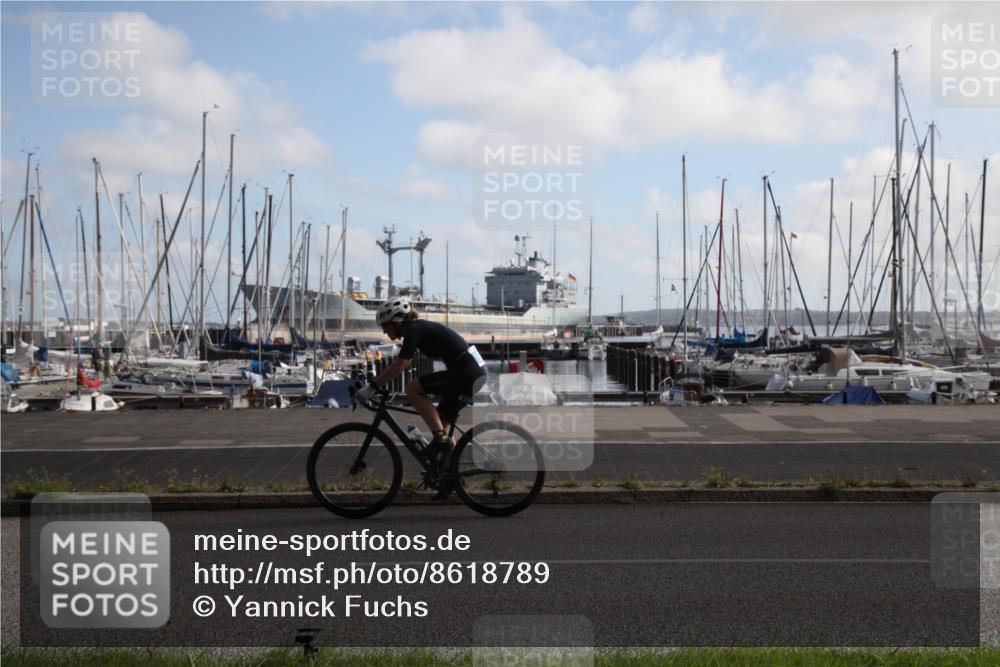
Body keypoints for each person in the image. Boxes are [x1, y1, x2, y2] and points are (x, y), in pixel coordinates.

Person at [355, 296, 486, 470]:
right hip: (472, 372)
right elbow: (404, 362)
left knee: (413, 389)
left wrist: (372, 388)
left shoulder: (415, 328)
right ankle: (450, 480)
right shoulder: (417, 328)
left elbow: (401, 364)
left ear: (397, 322)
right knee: (441, 425)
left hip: (468, 373)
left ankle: (440, 440)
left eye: (385, 326)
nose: (385, 332)